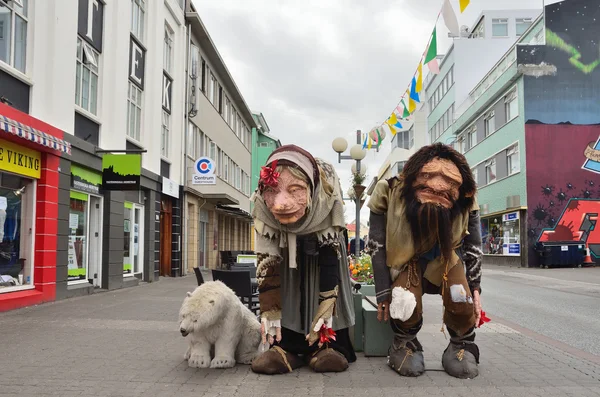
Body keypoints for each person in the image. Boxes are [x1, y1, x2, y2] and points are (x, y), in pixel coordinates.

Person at [366, 143, 483, 379]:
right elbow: (376, 244)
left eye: (449, 183)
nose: (438, 187)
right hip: (408, 262)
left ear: (462, 189)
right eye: (429, 177)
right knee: (404, 300)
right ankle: (404, 343)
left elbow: (474, 246)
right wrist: (382, 292)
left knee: (461, 298)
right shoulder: (388, 190)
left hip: (448, 261)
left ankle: (461, 346)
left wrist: (476, 286)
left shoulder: (468, 199)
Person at [250, 144, 356, 374]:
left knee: (323, 291)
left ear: (310, 188)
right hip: (285, 259)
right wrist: (269, 309)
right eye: (272, 191)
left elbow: (330, 257)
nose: (280, 204)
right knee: (289, 294)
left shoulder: (327, 196)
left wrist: (328, 304)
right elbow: (266, 260)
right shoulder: (262, 206)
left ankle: (326, 346)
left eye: (296, 189)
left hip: (322, 257)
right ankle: (284, 346)